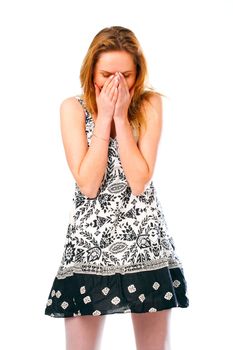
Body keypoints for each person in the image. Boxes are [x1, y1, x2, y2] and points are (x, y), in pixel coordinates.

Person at [44, 25, 189, 350]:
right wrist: (104, 116)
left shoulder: (149, 104)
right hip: (89, 245)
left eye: (126, 74)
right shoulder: (73, 108)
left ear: (138, 74)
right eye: (107, 74)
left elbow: (139, 181)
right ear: (91, 72)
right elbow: (89, 184)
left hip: (144, 243)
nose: (116, 83)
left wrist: (121, 119)